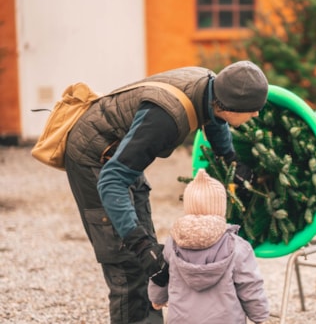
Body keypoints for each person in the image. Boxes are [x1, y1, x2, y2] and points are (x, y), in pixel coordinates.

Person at [64, 61, 268, 323]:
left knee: (151, 263)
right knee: (128, 261)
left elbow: (214, 119)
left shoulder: (211, 88)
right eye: (253, 111)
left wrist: (230, 158)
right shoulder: (166, 119)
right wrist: (140, 244)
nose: (256, 116)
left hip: (122, 153)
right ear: (230, 106)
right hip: (96, 158)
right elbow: (112, 179)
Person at [148, 169, 269, 324]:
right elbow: (250, 284)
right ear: (220, 208)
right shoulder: (236, 246)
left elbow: (161, 273)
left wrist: (157, 297)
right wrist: (260, 316)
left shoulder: (174, 242)